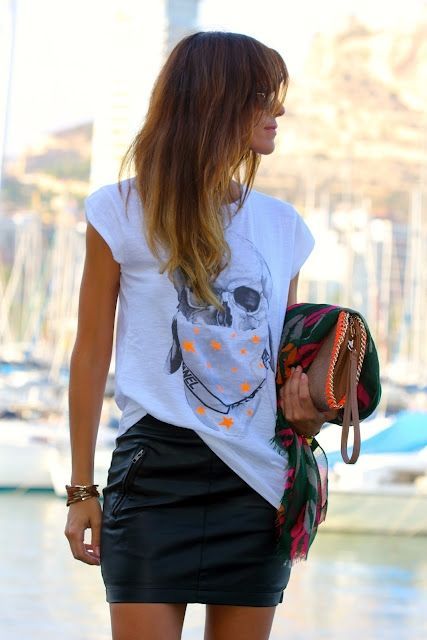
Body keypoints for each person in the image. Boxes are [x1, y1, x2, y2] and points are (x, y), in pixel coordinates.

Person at [65, 31, 330, 640]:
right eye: (262, 95)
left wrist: (309, 415)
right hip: (153, 475)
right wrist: (81, 489)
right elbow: (90, 353)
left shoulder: (282, 226)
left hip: (258, 484)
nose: (279, 109)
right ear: (217, 102)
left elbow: (282, 365)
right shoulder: (120, 210)